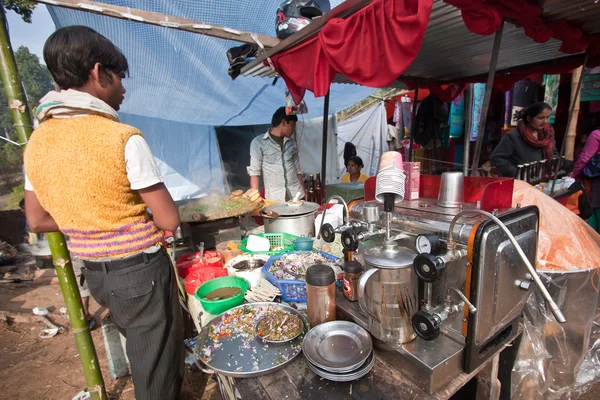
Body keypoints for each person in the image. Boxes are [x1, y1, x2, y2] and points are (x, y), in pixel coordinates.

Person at [23, 26, 183, 400]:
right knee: (156, 369)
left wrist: (89, 225)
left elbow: (36, 219)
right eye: (121, 77)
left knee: (142, 350)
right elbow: (169, 220)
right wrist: (124, 224)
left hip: (98, 277)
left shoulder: (38, 141)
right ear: (99, 73)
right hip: (140, 274)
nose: (123, 89)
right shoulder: (122, 137)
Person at [248, 107, 304, 202]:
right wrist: (255, 200)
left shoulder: (292, 143)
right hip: (275, 199)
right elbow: (254, 173)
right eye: (292, 124)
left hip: (297, 195)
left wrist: (304, 193)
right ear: (283, 122)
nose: (293, 129)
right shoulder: (258, 143)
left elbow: (298, 171)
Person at [491, 102, 557, 178]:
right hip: (520, 181)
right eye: (540, 118)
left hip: (542, 178)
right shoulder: (513, 136)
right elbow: (497, 158)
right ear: (529, 118)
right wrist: (518, 173)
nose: (545, 121)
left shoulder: (548, 134)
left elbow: (554, 152)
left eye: (547, 117)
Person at [573, 128, 600, 233]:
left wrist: (573, 174)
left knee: (594, 210)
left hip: (596, 181)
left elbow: (585, 158)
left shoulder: (596, 135)